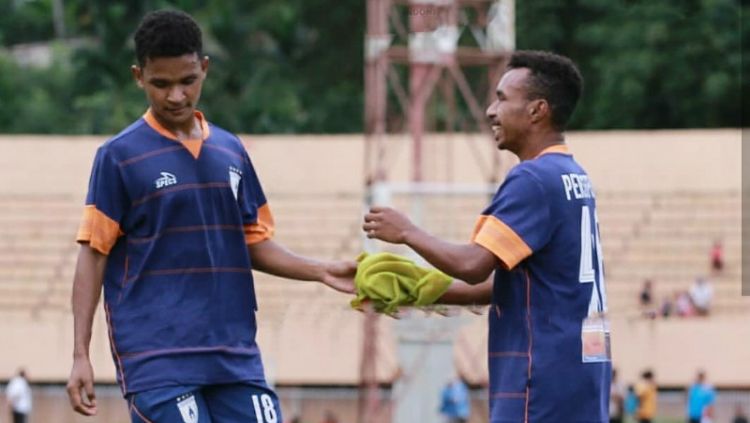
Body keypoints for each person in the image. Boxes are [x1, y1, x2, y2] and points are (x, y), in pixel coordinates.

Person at [65, 10, 356, 422]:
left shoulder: (231, 151)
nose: (176, 96)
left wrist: (322, 270)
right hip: (158, 359)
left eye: (188, 81)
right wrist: (80, 354)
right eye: (160, 84)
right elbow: (92, 254)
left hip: (234, 354)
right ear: (138, 77)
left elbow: (253, 241)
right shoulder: (119, 157)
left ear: (204, 68)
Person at [363, 51, 611, 422]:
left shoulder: (532, 179)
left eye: (502, 98)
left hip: (538, 379)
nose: (491, 111)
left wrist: (406, 232)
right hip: (582, 374)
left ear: (537, 110)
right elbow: (520, 285)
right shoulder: (574, 175)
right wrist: (416, 290)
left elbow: (473, 265)